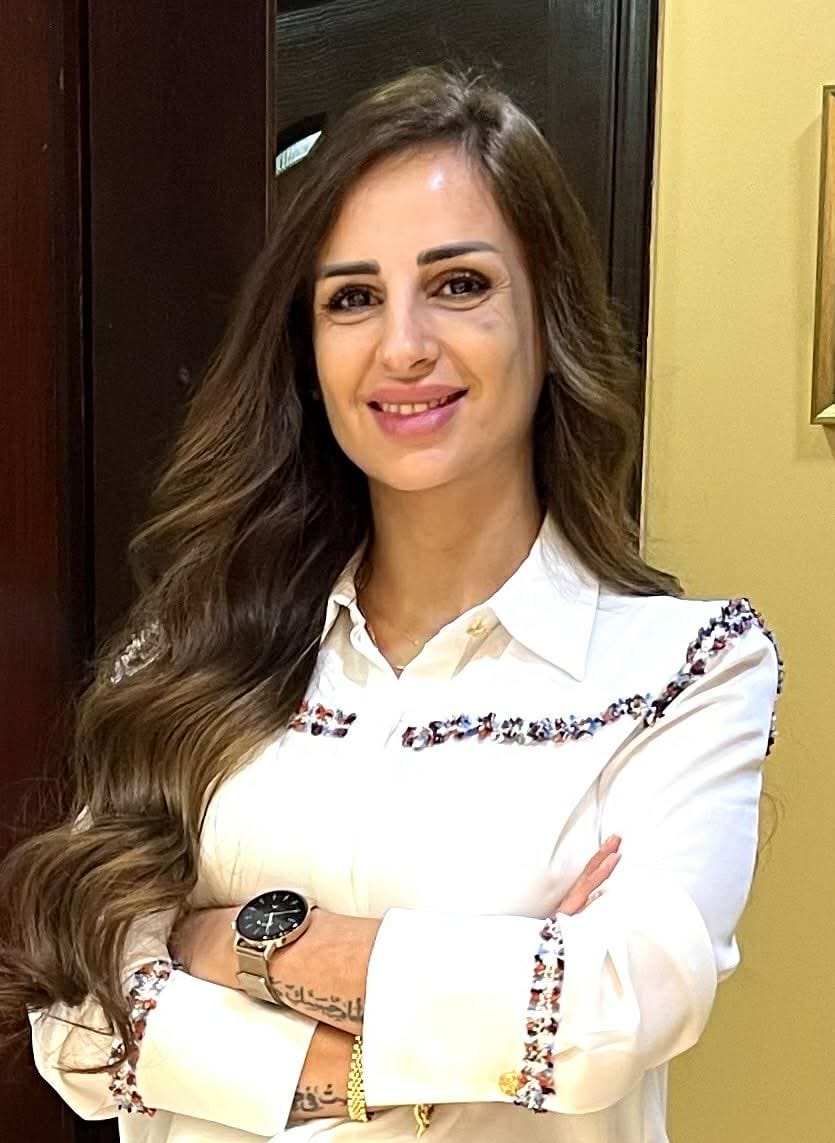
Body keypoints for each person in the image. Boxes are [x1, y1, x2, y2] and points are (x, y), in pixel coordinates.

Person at [0, 66, 781, 1143]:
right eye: (352, 297)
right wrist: (468, 1024)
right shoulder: (187, 655)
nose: (403, 345)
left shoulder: (685, 670)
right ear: (307, 348)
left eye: (458, 284)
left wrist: (231, 945)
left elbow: (607, 1010)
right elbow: (83, 1030)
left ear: (546, 319)